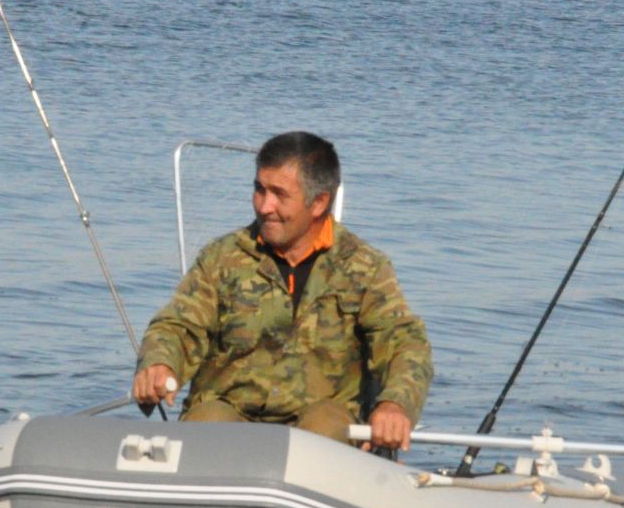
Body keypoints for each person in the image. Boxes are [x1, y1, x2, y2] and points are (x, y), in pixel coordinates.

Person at [132, 131, 432, 450]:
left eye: (279, 194)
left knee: (324, 425)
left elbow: (405, 343)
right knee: (208, 423)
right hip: (230, 412)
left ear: (319, 202)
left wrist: (395, 405)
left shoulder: (366, 268)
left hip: (322, 423)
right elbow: (178, 326)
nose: (265, 206)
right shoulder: (222, 258)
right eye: (259, 190)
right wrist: (160, 363)